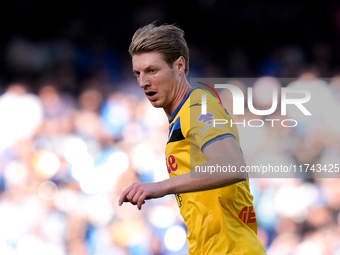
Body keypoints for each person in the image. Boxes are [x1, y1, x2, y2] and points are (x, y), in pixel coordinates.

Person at [119, 23, 267, 255]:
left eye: (152, 70)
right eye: (138, 73)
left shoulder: (198, 107)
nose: (142, 82)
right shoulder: (181, 117)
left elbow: (231, 165)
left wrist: (160, 187)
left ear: (179, 65)